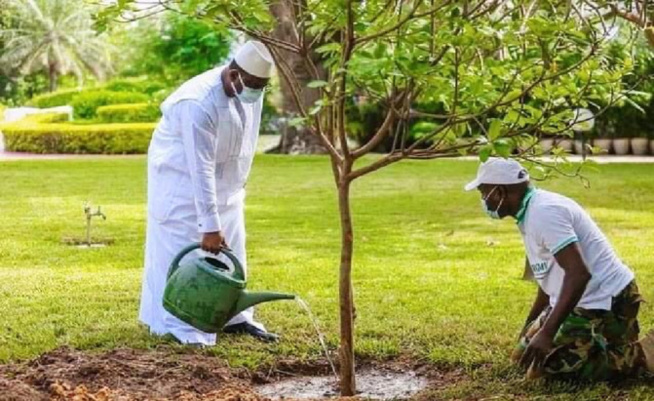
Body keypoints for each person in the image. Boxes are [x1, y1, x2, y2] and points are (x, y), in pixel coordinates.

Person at [139, 40, 278, 345]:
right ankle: (183, 328)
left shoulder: (251, 93)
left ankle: (235, 318)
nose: (257, 90)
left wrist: (235, 191)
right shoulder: (197, 102)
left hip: (226, 190)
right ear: (233, 74)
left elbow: (245, 146)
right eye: (253, 83)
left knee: (234, 255)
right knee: (180, 257)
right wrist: (210, 226)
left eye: (262, 85)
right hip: (181, 188)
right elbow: (198, 167)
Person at [464, 157, 654, 380]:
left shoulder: (544, 213)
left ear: (500, 192)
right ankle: (602, 344)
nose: (484, 200)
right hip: (580, 297)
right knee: (522, 358)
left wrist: (547, 333)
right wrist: (529, 327)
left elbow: (579, 274)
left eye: (483, 192)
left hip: (608, 299)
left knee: (549, 368)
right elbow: (546, 277)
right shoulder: (528, 212)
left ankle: (642, 354)